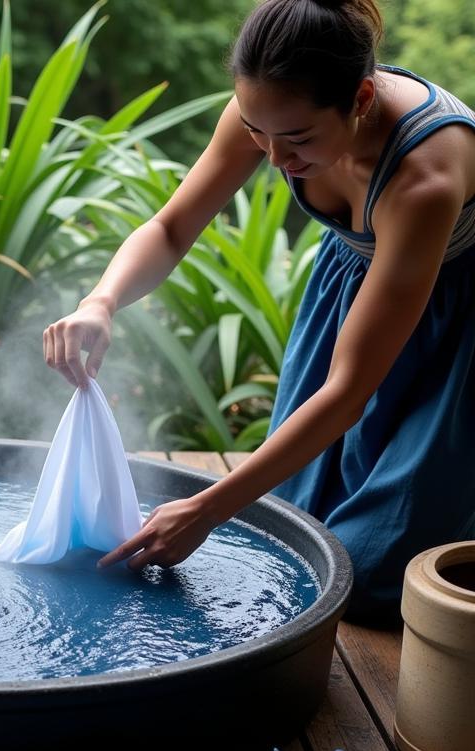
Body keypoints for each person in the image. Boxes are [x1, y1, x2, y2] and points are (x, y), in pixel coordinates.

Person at [43, 0, 475, 620]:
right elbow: (171, 228)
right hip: (354, 280)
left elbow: (348, 390)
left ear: (359, 100)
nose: (274, 158)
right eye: (256, 132)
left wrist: (208, 509)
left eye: (297, 140)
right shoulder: (270, 107)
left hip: (457, 311)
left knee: (373, 573)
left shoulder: (423, 178)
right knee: (300, 530)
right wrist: (100, 301)